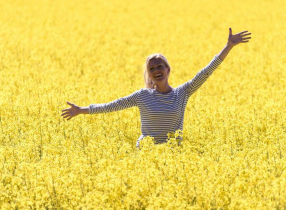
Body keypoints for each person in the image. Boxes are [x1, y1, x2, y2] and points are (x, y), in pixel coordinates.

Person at [61, 27, 251, 148]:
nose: (156, 70)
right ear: (149, 74)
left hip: (173, 155)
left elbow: (206, 72)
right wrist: (81, 110)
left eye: (160, 66)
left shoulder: (182, 93)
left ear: (168, 69)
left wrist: (229, 46)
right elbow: (112, 106)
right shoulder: (143, 95)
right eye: (152, 68)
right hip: (147, 153)